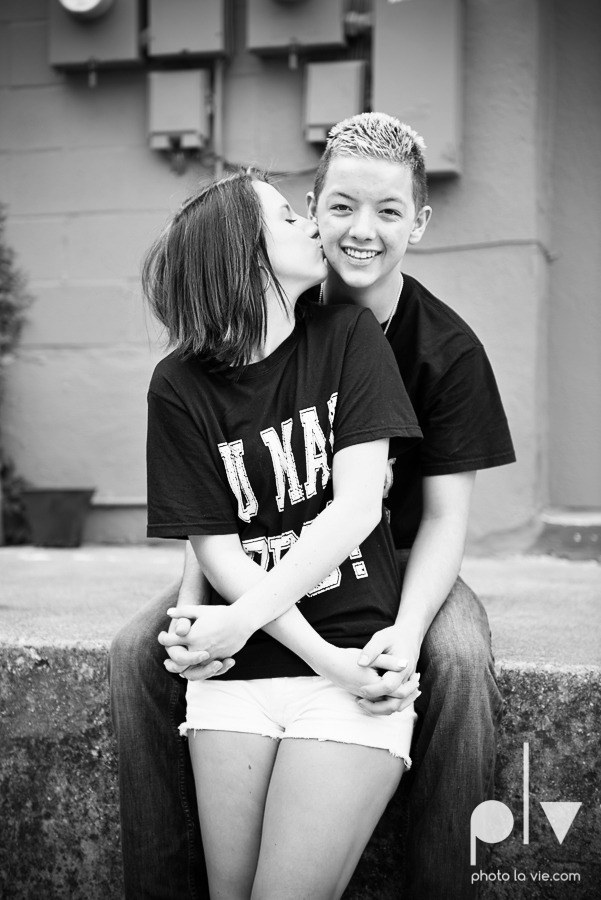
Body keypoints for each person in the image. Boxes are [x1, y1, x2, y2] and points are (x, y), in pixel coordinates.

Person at [110, 113, 515, 900]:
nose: (360, 231)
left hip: (392, 561)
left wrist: (403, 628)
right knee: (139, 651)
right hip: (262, 552)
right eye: (336, 209)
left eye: (388, 212)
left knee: (457, 661)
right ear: (313, 207)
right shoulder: (248, 319)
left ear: (418, 224)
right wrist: (198, 613)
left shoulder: (445, 350)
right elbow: (217, 501)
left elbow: (438, 519)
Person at [141, 169, 424, 900]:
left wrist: (314, 657)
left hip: (355, 658)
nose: (310, 224)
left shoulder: (348, 338)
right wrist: (307, 653)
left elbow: (357, 509)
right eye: (285, 218)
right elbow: (215, 549)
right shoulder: (178, 385)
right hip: (238, 679)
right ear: (243, 254)